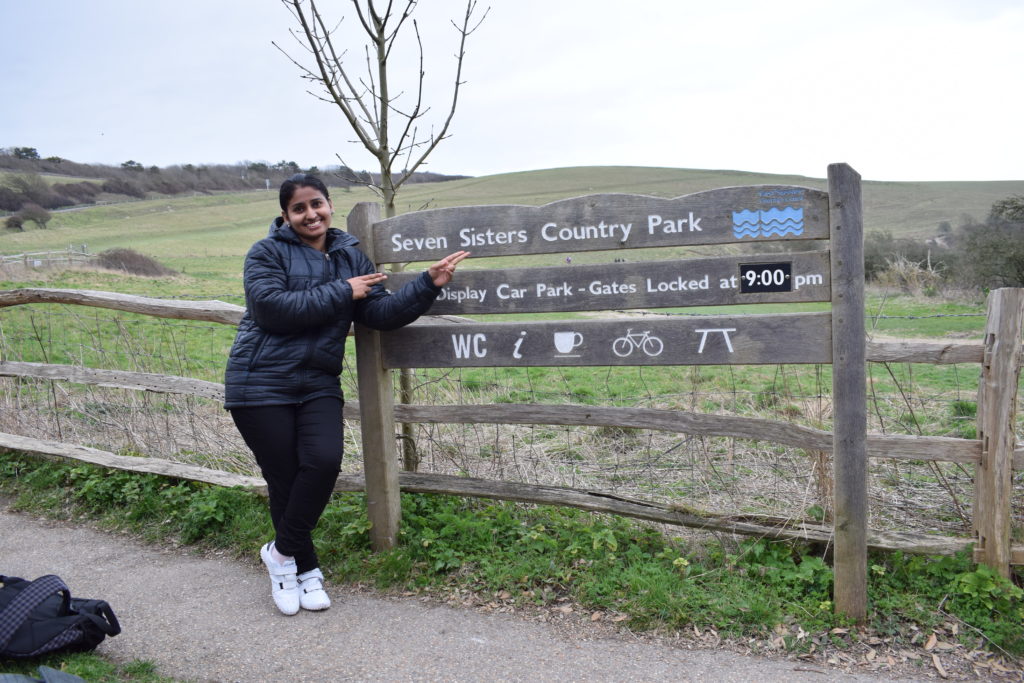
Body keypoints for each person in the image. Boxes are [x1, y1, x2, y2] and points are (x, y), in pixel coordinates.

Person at [224, 173, 468, 615]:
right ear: (285, 216)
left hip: (317, 381)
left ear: (329, 204)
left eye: (316, 204)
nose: (310, 214)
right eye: (299, 209)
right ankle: (305, 570)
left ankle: (279, 555)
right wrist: (342, 291)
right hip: (259, 382)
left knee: (322, 463)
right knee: (284, 481)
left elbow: (379, 313)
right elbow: (271, 310)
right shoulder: (266, 252)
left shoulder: (351, 258)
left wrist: (426, 284)